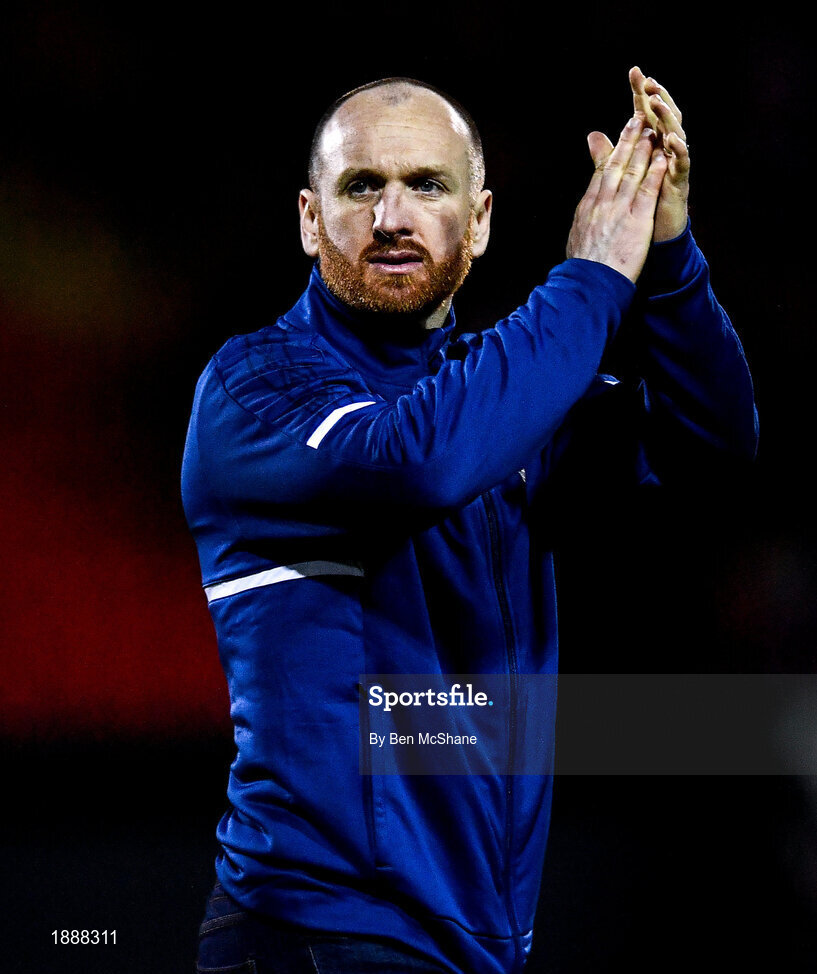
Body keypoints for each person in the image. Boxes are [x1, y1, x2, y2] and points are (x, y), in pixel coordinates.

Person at [182, 69, 758, 974]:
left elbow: (714, 444)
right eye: (361, 186)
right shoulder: (256, 389)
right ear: (308, 218)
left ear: (479, 221)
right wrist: (593, 278)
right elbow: (417, 461)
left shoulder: (503, 398)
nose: (392, 218)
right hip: (318, 932)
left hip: (469, 945)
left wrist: (671, 253)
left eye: (427, 185)